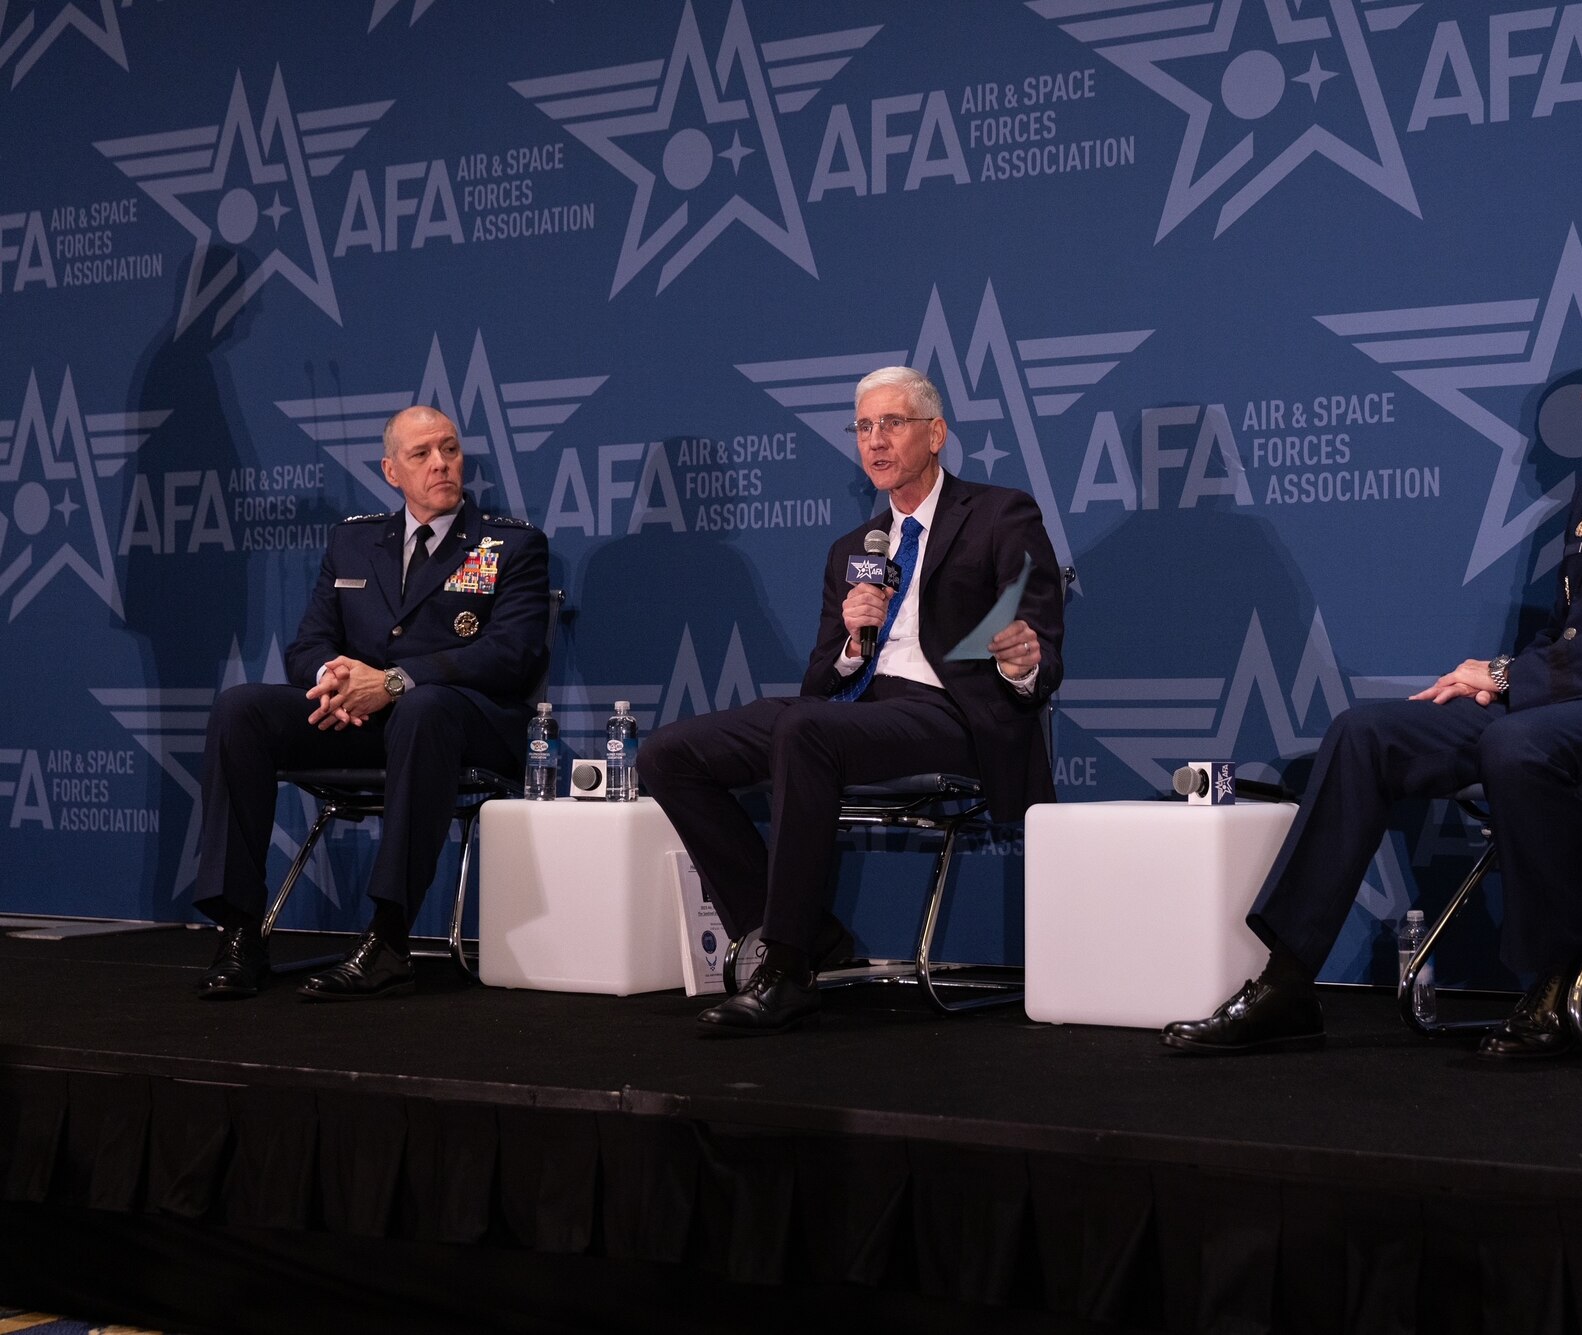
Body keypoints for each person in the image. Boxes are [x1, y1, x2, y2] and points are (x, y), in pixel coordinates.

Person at [1163, 297, 1582, 1059]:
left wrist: (1508, 674)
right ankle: (1288, 980)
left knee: (1523, 742)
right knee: (1369, 733)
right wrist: (1516, 683)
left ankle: (1561, 982)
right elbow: (1581, 633)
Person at [637, 366, 1066, 1036]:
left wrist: (1021, 660)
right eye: (863, 427)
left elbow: (1037, 631)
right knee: (668, 754)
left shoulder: (998, 514)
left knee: (805, 728)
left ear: (935, 433)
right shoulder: (853, 551)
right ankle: (812, 934)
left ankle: (784, 968)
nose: (874, 440)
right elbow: (818, 683)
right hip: (856, 712)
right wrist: (850, 644)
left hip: (952, 715)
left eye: (890, 423)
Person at [192, 405, 551, 1001]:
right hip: (367, 719)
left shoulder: (511, 545)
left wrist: (391, 683)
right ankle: (239, 933)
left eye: (450, 449)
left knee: (422, 708)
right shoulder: (354, 542)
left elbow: (511, 655)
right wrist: (337, 681)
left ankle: (388, 939)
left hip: (464, 722)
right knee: (241, 710)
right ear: (391, 471)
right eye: (421, 454)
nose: (441, 463)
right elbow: (308, 644)